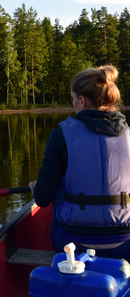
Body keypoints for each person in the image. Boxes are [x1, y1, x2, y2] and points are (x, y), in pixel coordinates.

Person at [29, 65, 130, 260]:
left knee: (58, 190)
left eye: (73, 99)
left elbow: (42, 199)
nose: (73, 103)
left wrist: (38, 190)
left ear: (82, 101)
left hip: (73, 243)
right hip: (126, 243)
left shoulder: (60, 136)